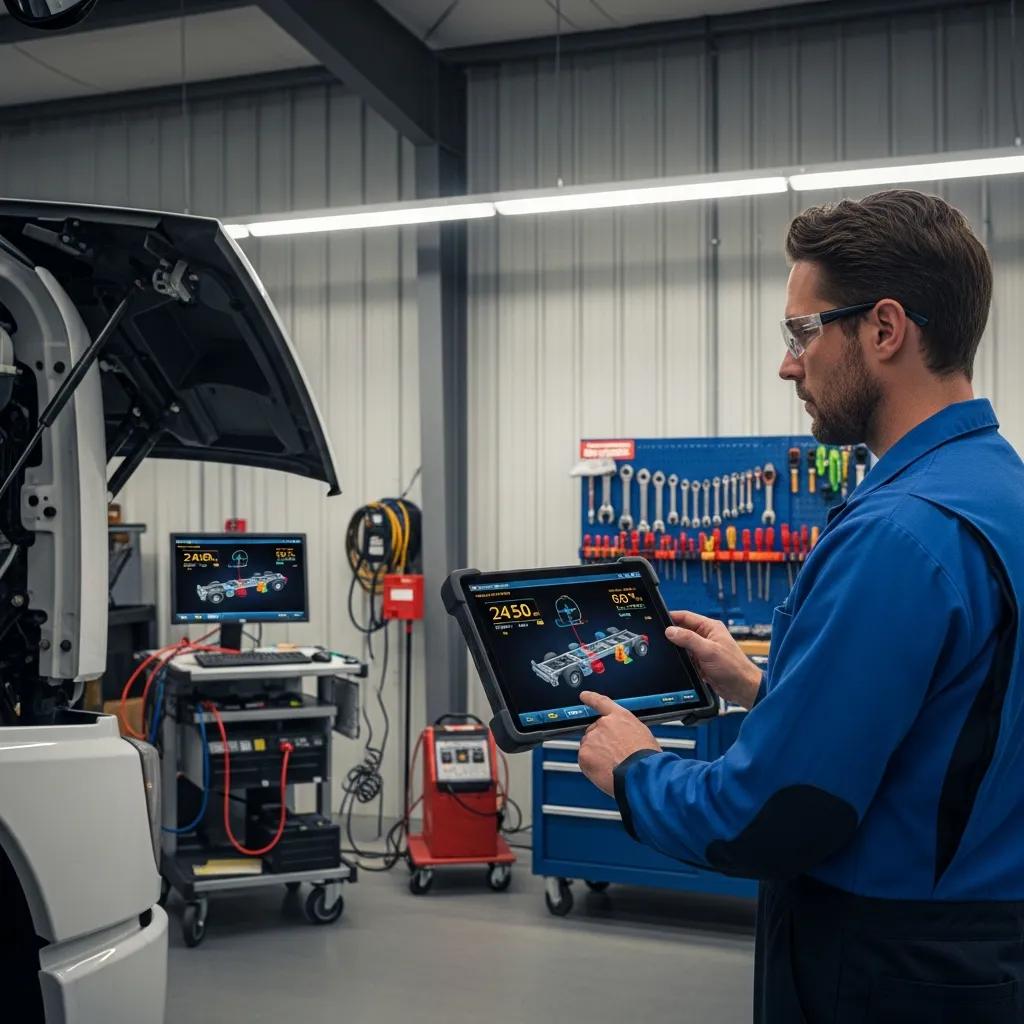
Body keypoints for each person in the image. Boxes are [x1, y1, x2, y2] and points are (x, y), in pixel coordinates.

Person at [577, 189, 1024, 1023]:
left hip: (886, 967)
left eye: (802, 331)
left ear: (885, 330)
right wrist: (760, 685)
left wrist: (636, 771)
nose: (790, 364)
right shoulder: (1001, 493)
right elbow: (959, 719)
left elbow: (771, 818)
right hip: (984, 949)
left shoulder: (898, 535)